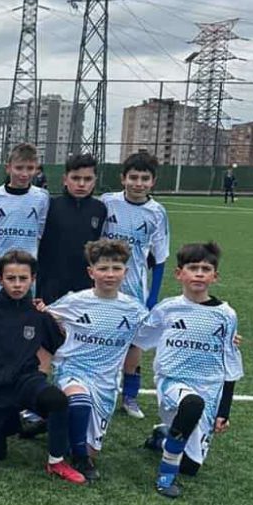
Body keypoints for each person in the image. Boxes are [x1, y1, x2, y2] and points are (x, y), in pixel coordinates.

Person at [128, 241, 242, 499]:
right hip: (172, 381)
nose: (199, 274)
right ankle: (165, 475)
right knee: (192, 404)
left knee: (190, 467)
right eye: (193, 268)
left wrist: (224, 410)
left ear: (215, 276)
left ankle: (162, 436)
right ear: (179, 273)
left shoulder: (226, 315)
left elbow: (230, 364)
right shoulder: (167, 308)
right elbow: (139, 337)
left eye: (206, 269)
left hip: (210, 387)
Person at [41, 238, 149, 482]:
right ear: (91, 272)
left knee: (91, 447)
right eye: (103, 268)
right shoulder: (75, 301)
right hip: (73, 370)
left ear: (125, 272)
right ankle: (82, 459)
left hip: (106, 380)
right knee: (80, 402)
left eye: (116, 268)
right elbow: (44, 317)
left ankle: (59, 424)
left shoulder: (134, 310)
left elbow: (156, 333)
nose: (109, 274)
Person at [0, 250, 84, 482]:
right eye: (10, 278)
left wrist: (50, 315)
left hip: (26, 381)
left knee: (57, 400)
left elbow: (59, 342)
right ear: (0, 279)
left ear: (33, 279)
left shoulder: (38, 314)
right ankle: (30, 423)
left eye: (23, 278)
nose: (17, 284)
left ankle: (56, 462)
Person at [103, 151, 171, 420]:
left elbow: (160, 258)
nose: (138, 183)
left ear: (153, 182)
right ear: (123, 178)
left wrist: (152, 297)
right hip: (104, 285)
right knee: (104, 338)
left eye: (144, 178)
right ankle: (103, 389)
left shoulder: (157, 212)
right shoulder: (108, 202)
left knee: (135, 344)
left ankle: (130, 396)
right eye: (133, 177)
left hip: (135, 289)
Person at [35, 152, 107, 305]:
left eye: (87, 179)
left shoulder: (100, 209)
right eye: (75, 178)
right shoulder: (51, 206)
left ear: (95, 180)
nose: (81, 184)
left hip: (85, 286)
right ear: (65, 179)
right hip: (52, 285)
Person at [0, 143, 49, 296]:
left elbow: (40, 231)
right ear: (8, 168)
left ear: (36, 169)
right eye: (19, 168)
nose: (24, 174)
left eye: (30, 168)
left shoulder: (42, 197)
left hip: (27, 269)